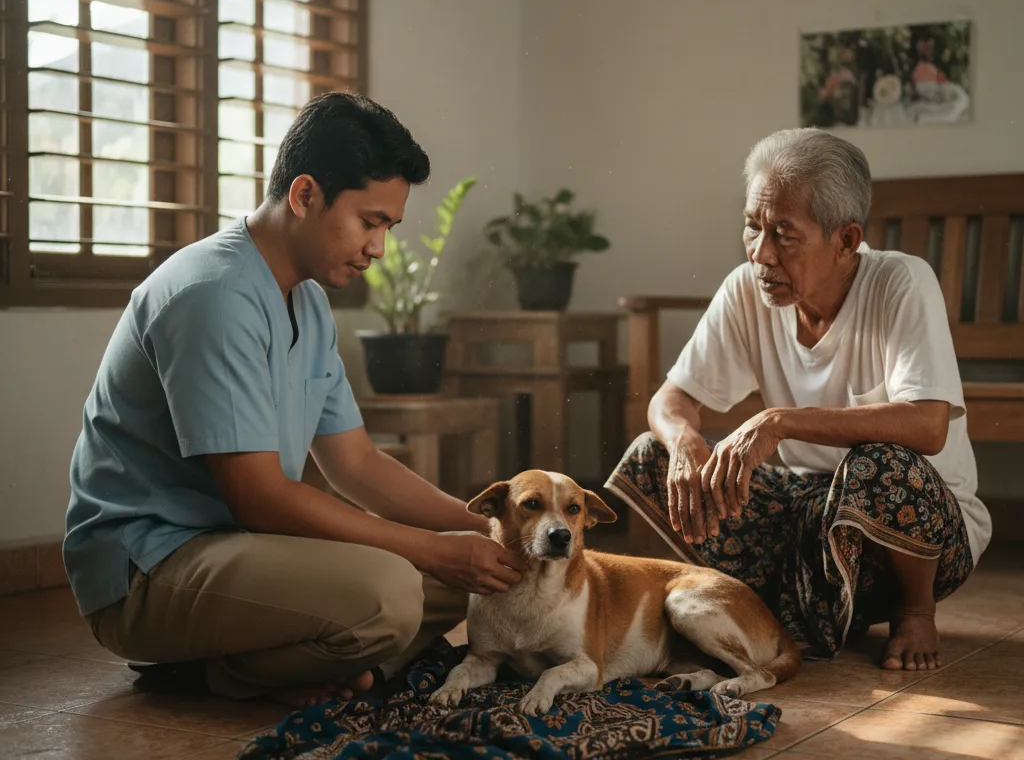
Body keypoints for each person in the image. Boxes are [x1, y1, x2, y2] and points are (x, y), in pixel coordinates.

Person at [63, 92, 527, 707]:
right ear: (305, 196)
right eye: (370, 222)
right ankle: (225, 673)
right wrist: (433, 550)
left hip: (238, 548)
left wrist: (491, 530)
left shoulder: (306, 300)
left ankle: (318, 666)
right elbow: (259, 499)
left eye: (388, 227)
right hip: (151, 570)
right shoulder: (214, 295)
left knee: (476, 578)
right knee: (392, 588)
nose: (380, 248)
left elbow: (356, 464)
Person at [606, 128, 990, 673]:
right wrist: (686, 440)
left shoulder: (901, 282)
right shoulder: (747, 288)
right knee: (653, 454)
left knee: (879, 463)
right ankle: (771, 609)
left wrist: (781, 422)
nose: (761, 253)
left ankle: (914, 612)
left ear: (846, 239)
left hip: (920, 532)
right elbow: (671, 399)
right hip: (812, 512)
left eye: (784, 234)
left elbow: (928, 427)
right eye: (752, 227)